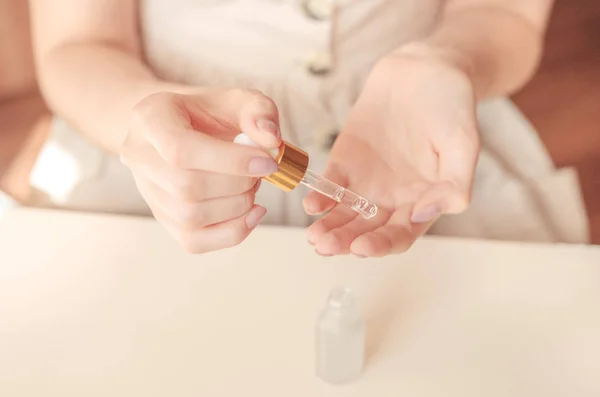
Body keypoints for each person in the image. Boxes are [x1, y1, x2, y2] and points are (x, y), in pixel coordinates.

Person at [27, 0, 588, 256]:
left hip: (418, 128)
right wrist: (150, 119)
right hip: (153, 139)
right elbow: (78, 46)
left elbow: (504, 15)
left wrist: (448, 60)